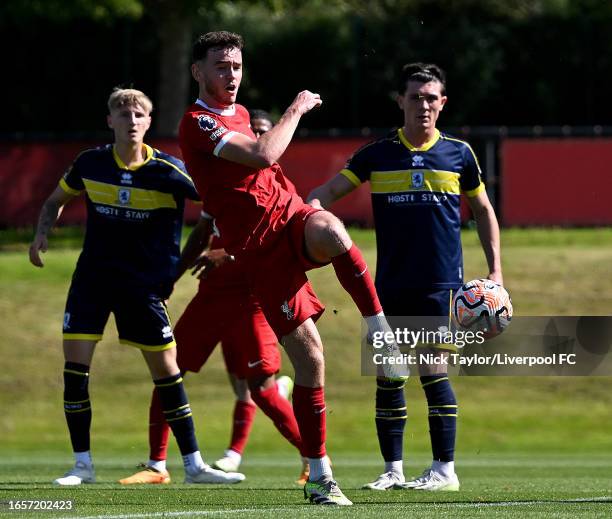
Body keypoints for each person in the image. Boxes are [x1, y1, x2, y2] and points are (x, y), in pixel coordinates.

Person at [178, 31, 402, 506]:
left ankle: (379, 331)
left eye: (236, 66)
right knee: (312, 360)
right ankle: (320, 475)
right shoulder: (197, 123)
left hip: (292, 218)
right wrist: (296, 108)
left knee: (335, 232)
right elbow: (264, 154)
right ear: (197, 72)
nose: (231, 75)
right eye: (220, 66)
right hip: (260, 254)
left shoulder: (237, 113)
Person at [29, 88, 244, 486]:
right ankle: (82, 466)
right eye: (123, 113)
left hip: (145, 289)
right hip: (92, 282)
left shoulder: (171, 171)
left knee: (168, 373)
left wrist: (224, 247)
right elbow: (54, 200)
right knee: (75, 371)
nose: (131, 120)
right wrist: (42, 234)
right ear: (109, 120)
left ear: (149, 122)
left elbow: (225, 202)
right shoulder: (90, 163)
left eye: (139, 114)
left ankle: (194, 465)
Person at [308, 63, 503, 492]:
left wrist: (495, 272)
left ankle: (444, 471)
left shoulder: (459, 154)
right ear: (401, 101)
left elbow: (485, 211)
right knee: (389, 375)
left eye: (432, 97)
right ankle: (392, 470)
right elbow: (324, 194)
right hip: (389, 286)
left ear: (443, 103)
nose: (424, 105)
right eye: (415, 97)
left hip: (441, 286)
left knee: (434, 370)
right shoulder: (377, 154)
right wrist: (312, 219)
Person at [119, 111, 310, 486]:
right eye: (250, 132)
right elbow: (202, 234)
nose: (254, 138)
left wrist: (228, 255)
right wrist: (170, 279)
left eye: (261, 134)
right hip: (215, 293)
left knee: (262, 388)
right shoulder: (221, 181)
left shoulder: (279, 187)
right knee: (169, 368)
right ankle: (156, 465)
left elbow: (279, 241)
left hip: (255, 295)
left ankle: (314, 458)